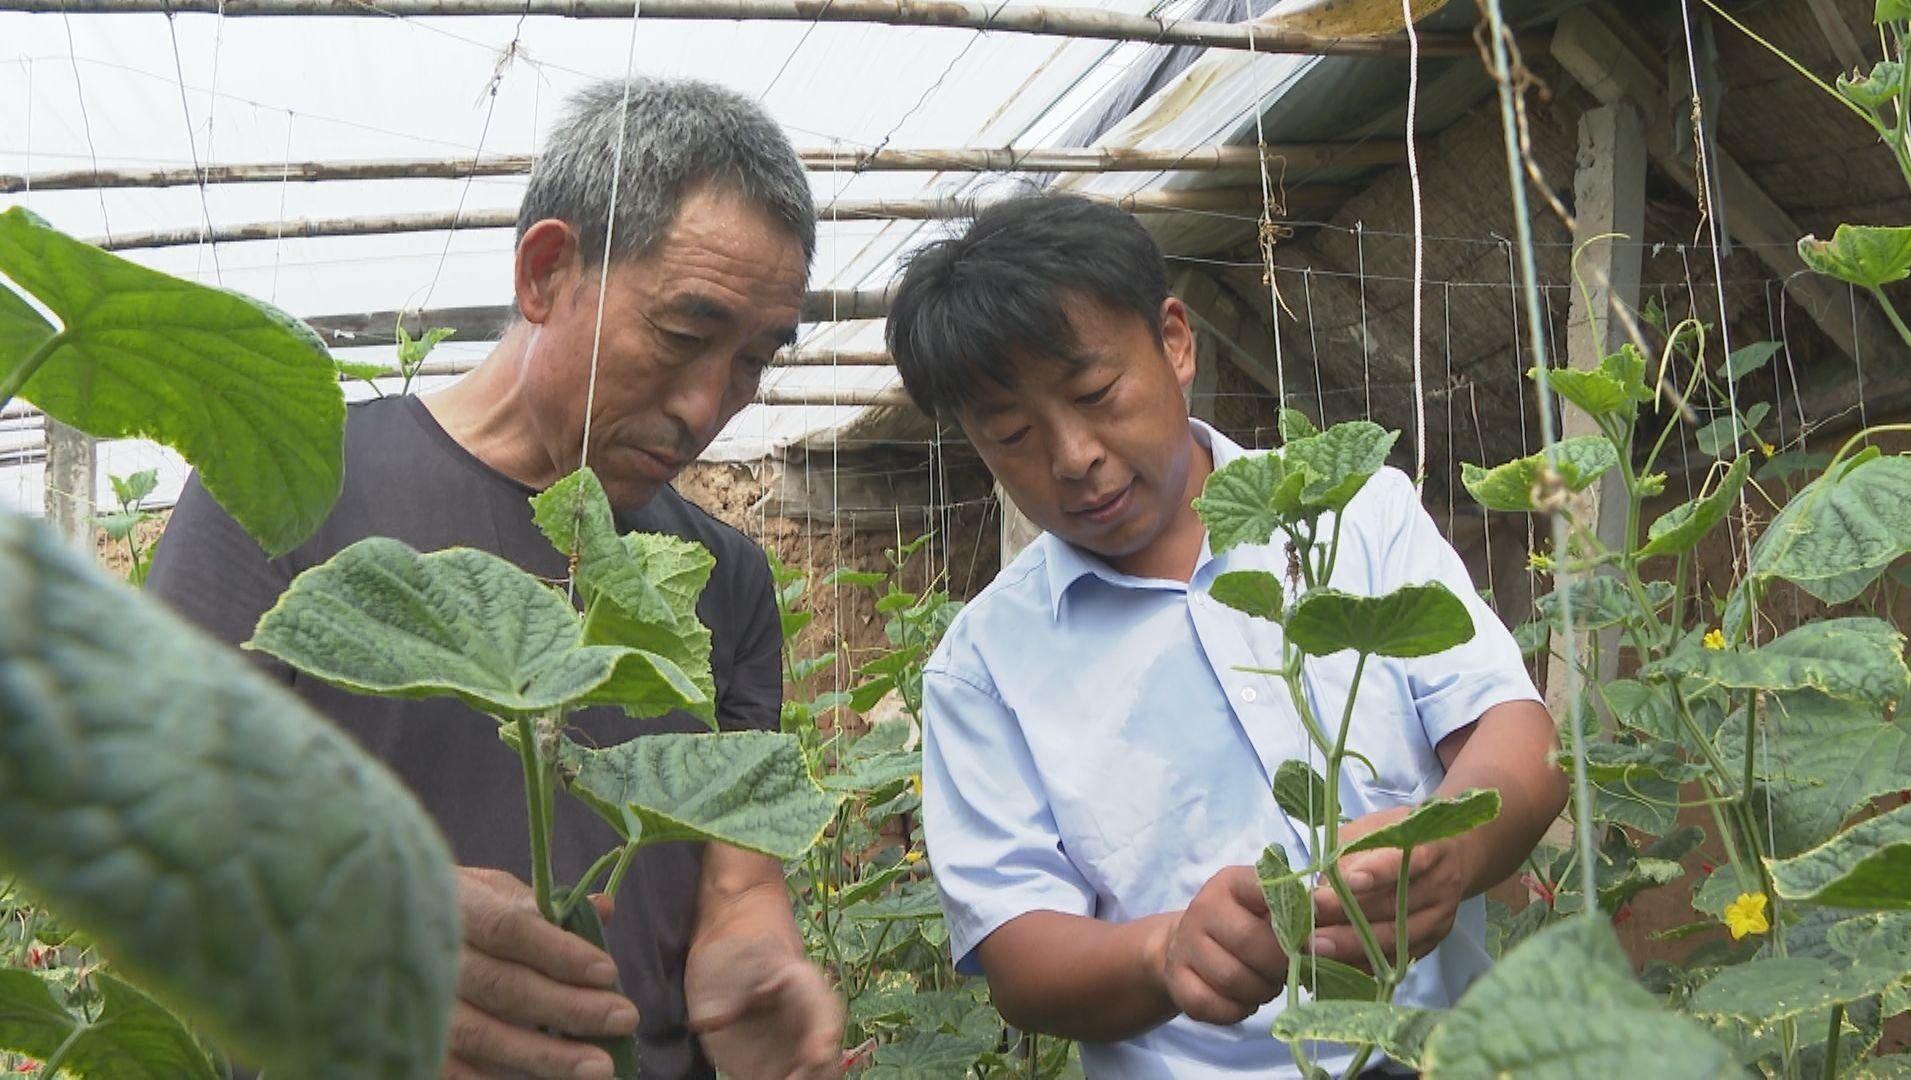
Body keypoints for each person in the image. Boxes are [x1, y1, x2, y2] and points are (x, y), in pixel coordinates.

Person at [148, 77, 843, 1080]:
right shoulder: (286, 486)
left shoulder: (718, 575)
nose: (708, 407)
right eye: (686, 336)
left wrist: (757, 960)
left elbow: (736, 873)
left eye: (752, 363)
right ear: (547, 271)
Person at [884, 193, 1568, 1078]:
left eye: (1095, 394)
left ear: (1173, 342)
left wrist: (1451, 840)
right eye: (1012, 434)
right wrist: (1162, 953)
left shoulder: (1352, 514)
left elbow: (1515, 736)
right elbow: (1018, 952)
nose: (1071, 455)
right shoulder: (982, 670)